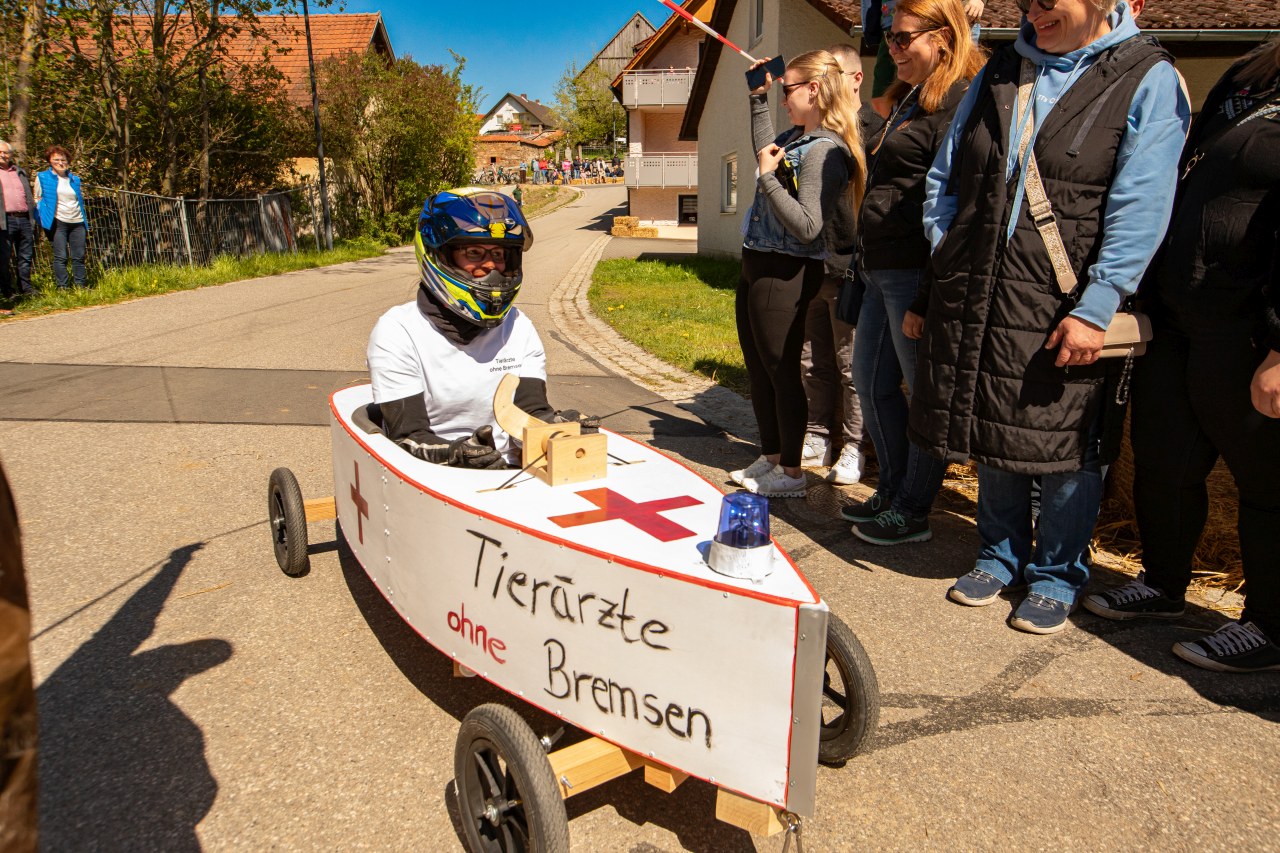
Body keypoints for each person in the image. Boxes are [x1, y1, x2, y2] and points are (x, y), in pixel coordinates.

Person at [919, 0, 1190, 634]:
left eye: (1050, 1)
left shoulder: (1146, 75)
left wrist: (1099, 305)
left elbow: (1141, 202)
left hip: (1068, 294)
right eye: (1027, 1)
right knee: (993, 419)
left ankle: (1057, 572)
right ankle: (999, 553)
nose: (1035, 12)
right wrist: (948, 248)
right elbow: (947, 172)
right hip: (982, 280)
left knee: (1066, 441)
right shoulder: (1002, 68)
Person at [1082, 41, 1280, 672]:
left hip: (1246, 326)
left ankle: (1269, 627)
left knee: (1266, 485)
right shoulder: (1250, 73)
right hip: (1179, 315)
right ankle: (1163, 584)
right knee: (1165, 461)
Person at [840, 0, 985, 545]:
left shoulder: (961, 101)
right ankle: (895, 486)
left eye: (903, 39)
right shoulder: (907, 99)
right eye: (890, 38)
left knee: (923, 391)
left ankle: (914, 507)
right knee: (871, 383)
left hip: (913, 270)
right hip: (878, 265)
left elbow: (955, 198)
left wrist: (929, 290)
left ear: (944, 37)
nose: (892, 49)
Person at [730, 50, 867, 497]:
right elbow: (766, 149)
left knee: (781, 370)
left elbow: (809, 226)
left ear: (814, 89)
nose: (783, 99)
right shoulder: (797, 138)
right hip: (759, 262)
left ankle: (791, 474)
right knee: (760, 367)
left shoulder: (826, 149)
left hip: (786, 269)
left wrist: (767, 179)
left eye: (787, 90)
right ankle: (772, 457)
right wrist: (757, 97)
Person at [367, 188, 583, 469]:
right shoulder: (398, 331)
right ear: (439, 255)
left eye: (499, 253)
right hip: (432, 476)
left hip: (510, 470)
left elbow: (530, 410)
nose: (491, 266)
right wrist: (457, 455)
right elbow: (408, 436)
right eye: (474, 252)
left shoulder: (519, 326)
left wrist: (556, 428)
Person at [798, 44, 884, 485]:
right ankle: (817, 434)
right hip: (811, 266)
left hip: (850, 269)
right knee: (813, 360)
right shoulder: (807, 135)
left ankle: (854, 446)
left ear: (855, 79)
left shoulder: (871, 130)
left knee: (852, 365)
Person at [34, 146, 89, 290]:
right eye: (56, 159)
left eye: (63, 160)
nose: (60, 162)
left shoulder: (75, 179)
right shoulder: (42, 177)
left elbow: (78, 200)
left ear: (68, 161)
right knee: (61, 256)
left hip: (77, 222)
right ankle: (63, 288)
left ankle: (80, 287)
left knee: (79, 256)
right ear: (50, 161)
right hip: (58, 222)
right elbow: (38, 201)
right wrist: (43, 220)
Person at [0, 141, 37, 305]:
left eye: (5, 152)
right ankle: (8, 291)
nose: (3, 155)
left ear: (10, 154)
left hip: (24, 219)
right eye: (0, 152)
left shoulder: (19, 172)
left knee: (26, 256)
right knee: (4, 257)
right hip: (4, 221)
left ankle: (26, 288)